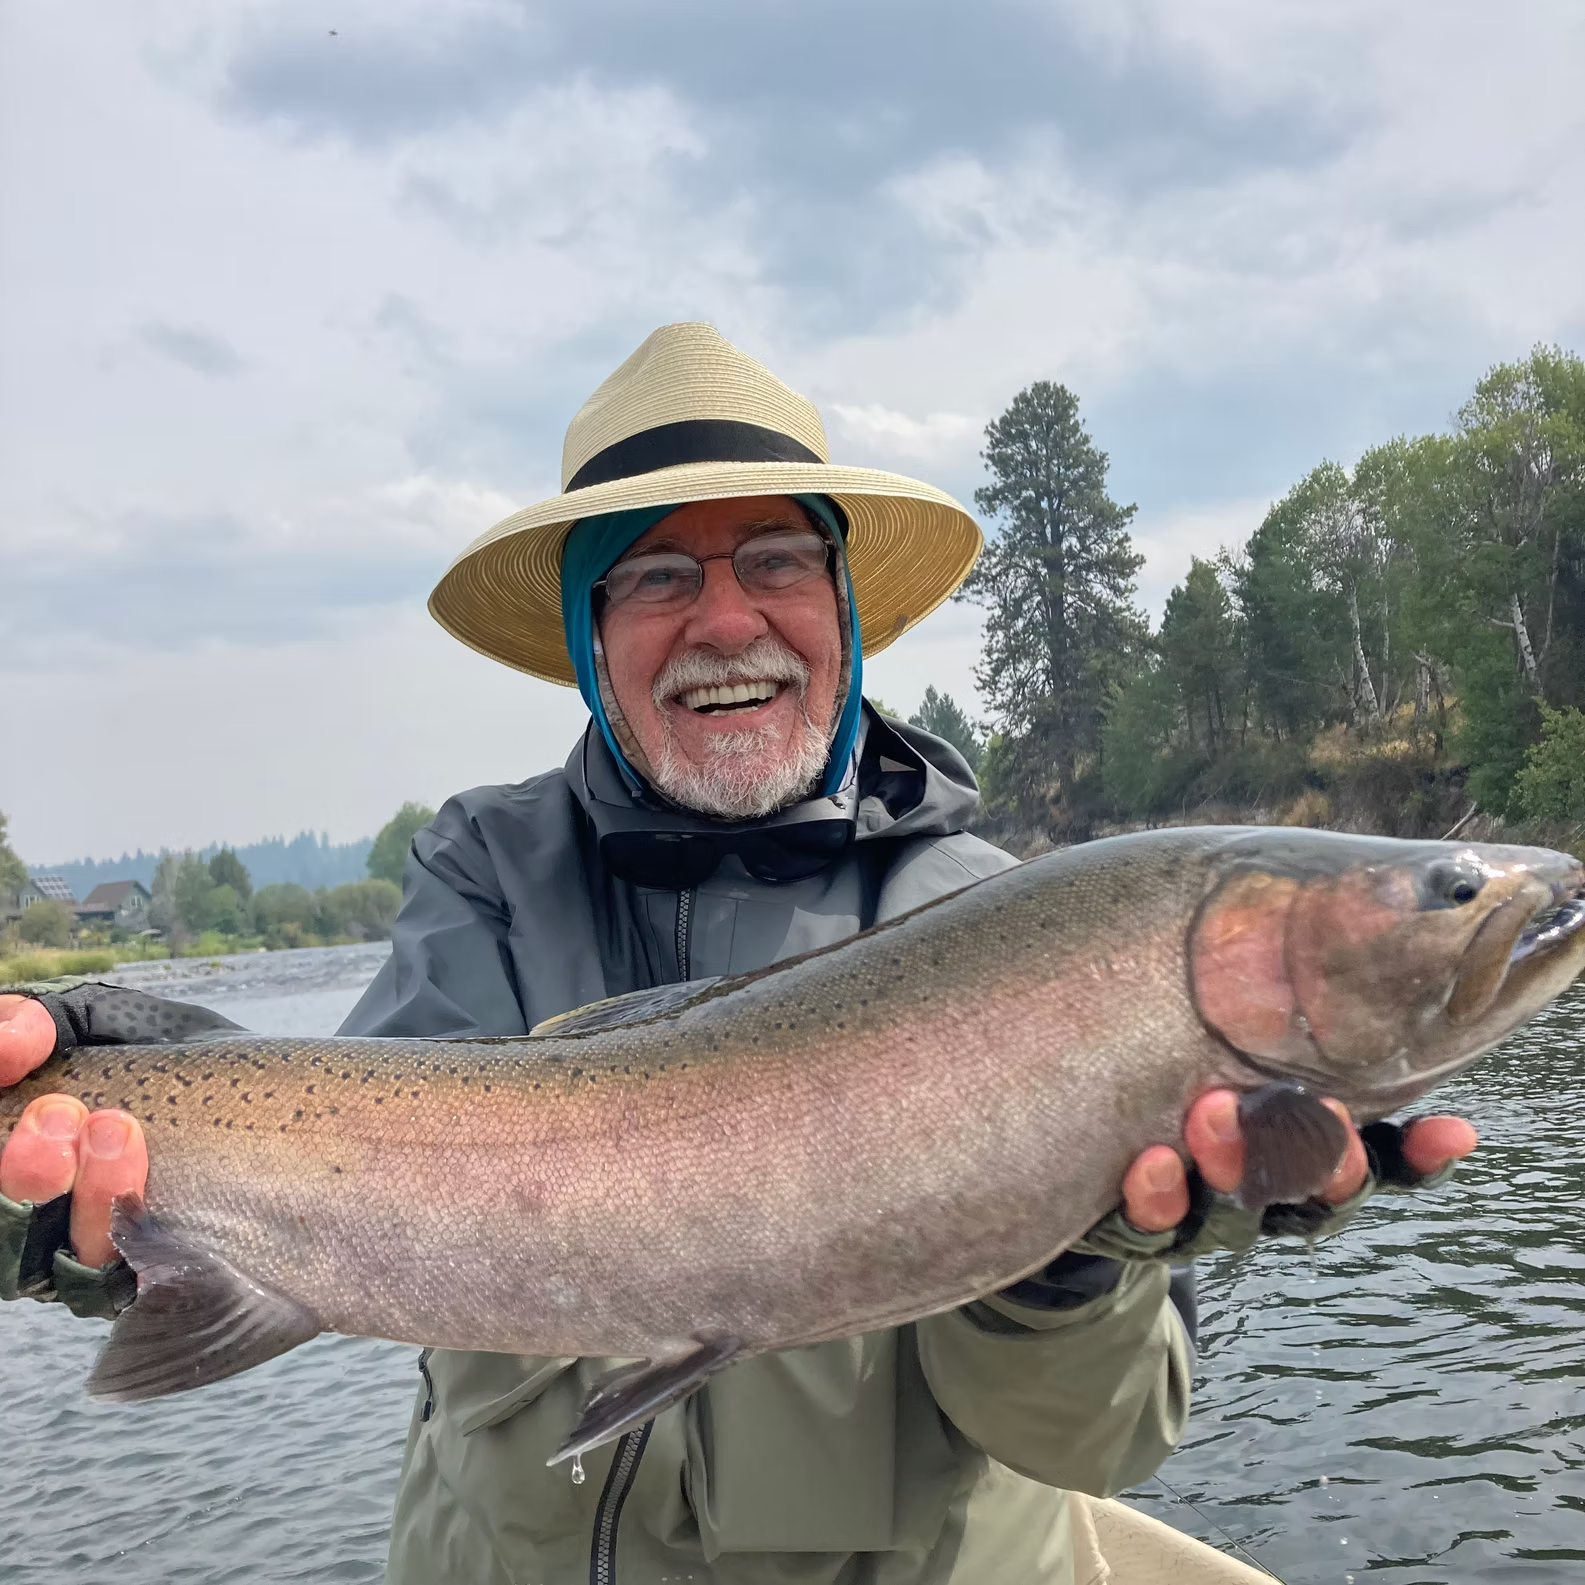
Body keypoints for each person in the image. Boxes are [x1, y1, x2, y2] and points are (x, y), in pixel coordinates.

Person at [0, 323, 1475, 1585]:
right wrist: (103, 1170)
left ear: (841, 611)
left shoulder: (1006, 922)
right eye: (650, 577)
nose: (724, 619)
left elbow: (1089, 1447)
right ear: (589, 635)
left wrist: (1074, 1261)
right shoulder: (490, 870)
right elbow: (332, 1169)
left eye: (775, 558)